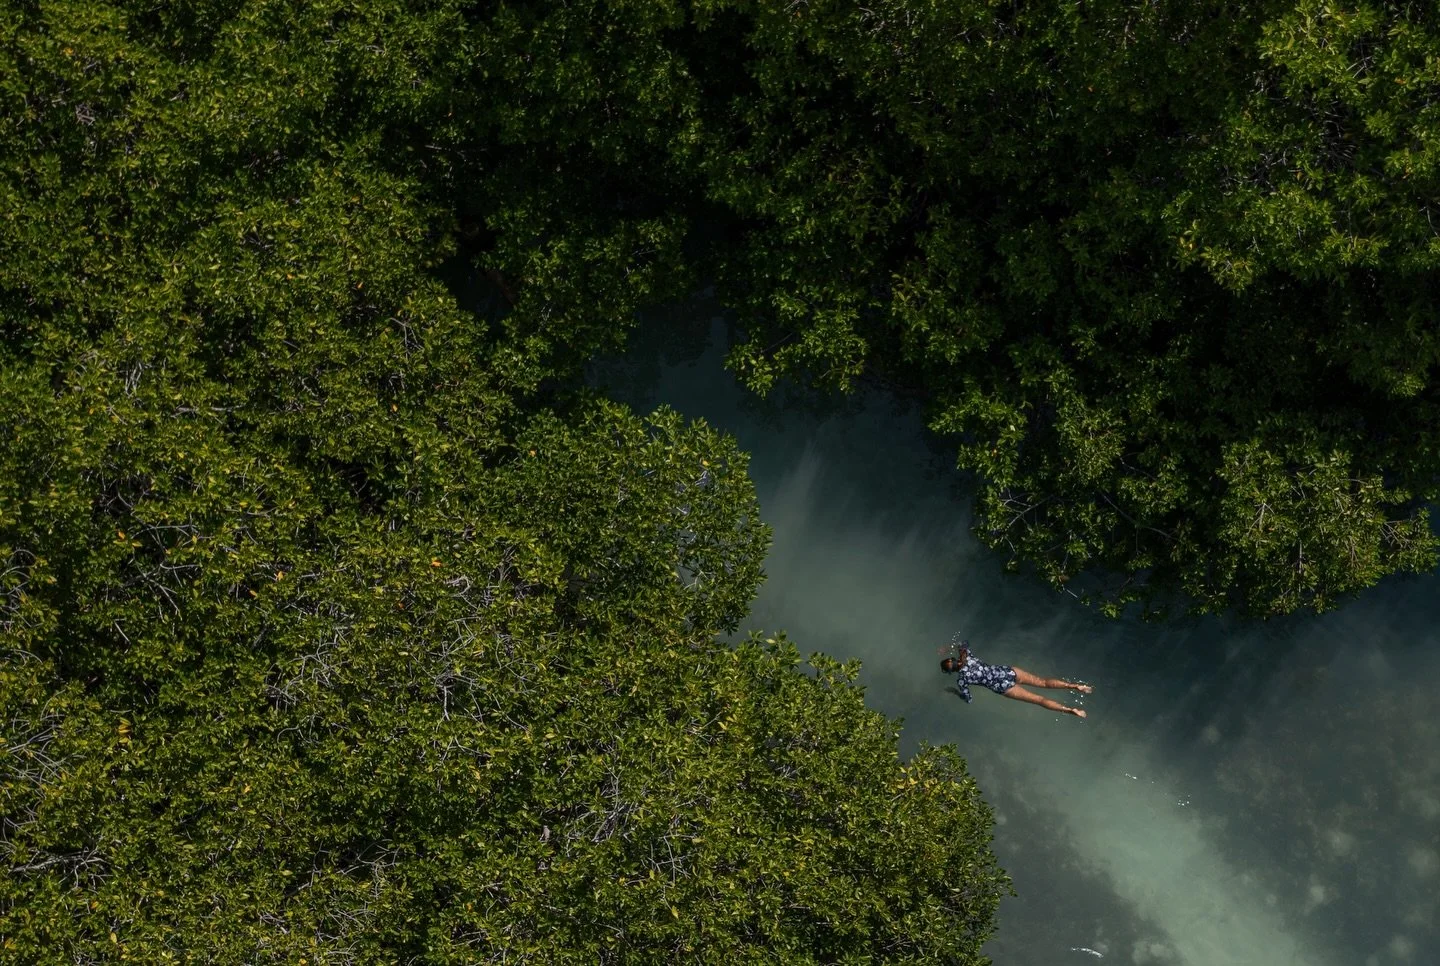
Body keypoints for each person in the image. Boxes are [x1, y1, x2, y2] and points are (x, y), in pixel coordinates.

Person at [941, 639, 1093, 718]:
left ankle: (1070, 710)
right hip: (1007, 672)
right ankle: (1074, 686)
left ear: (952, 671)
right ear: (954, 660)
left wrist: (955, 692)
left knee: (1039, 700)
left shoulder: (962, 679)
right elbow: (964, 643)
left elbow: (968, 699)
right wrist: (949, 648)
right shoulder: (967, 657)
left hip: (1002, 687)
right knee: (1043, 682)